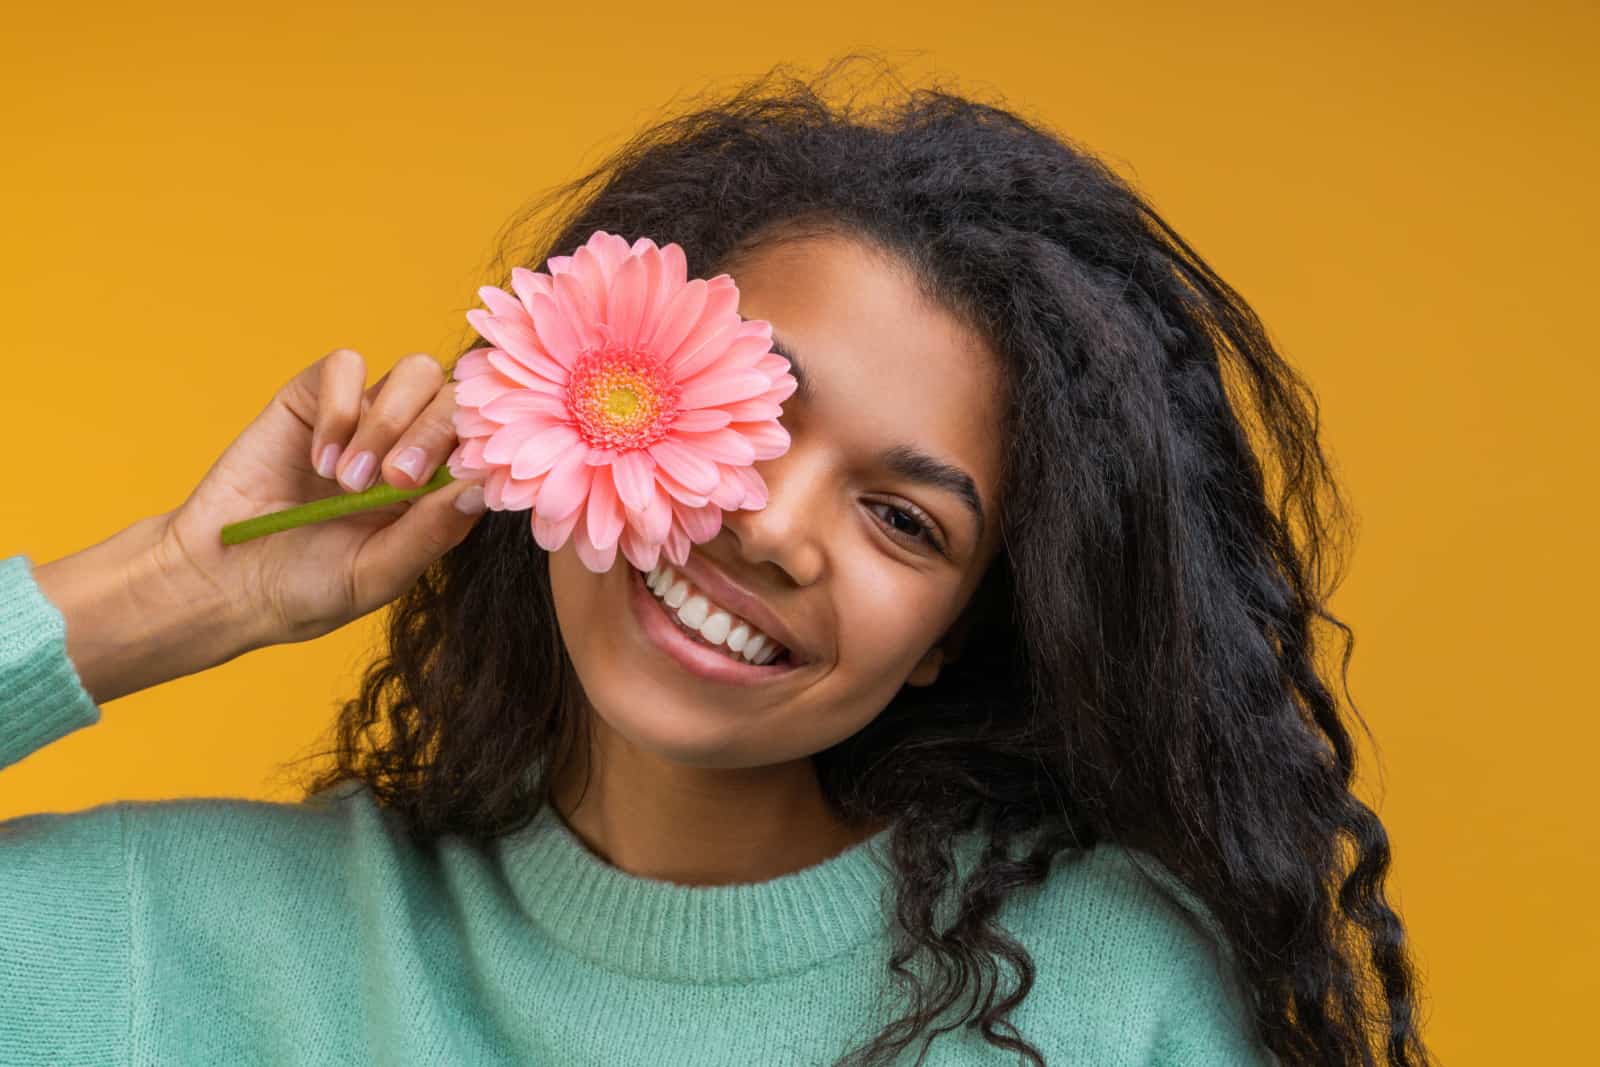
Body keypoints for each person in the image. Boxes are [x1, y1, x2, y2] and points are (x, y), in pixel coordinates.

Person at [0, 59, 1433, 1067]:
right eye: (749, 411)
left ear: (952, 633)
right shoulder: (161, 938)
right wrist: (182, 590)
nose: (767, 525)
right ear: (568, 386)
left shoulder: (1108, 996)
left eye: (905, 521)